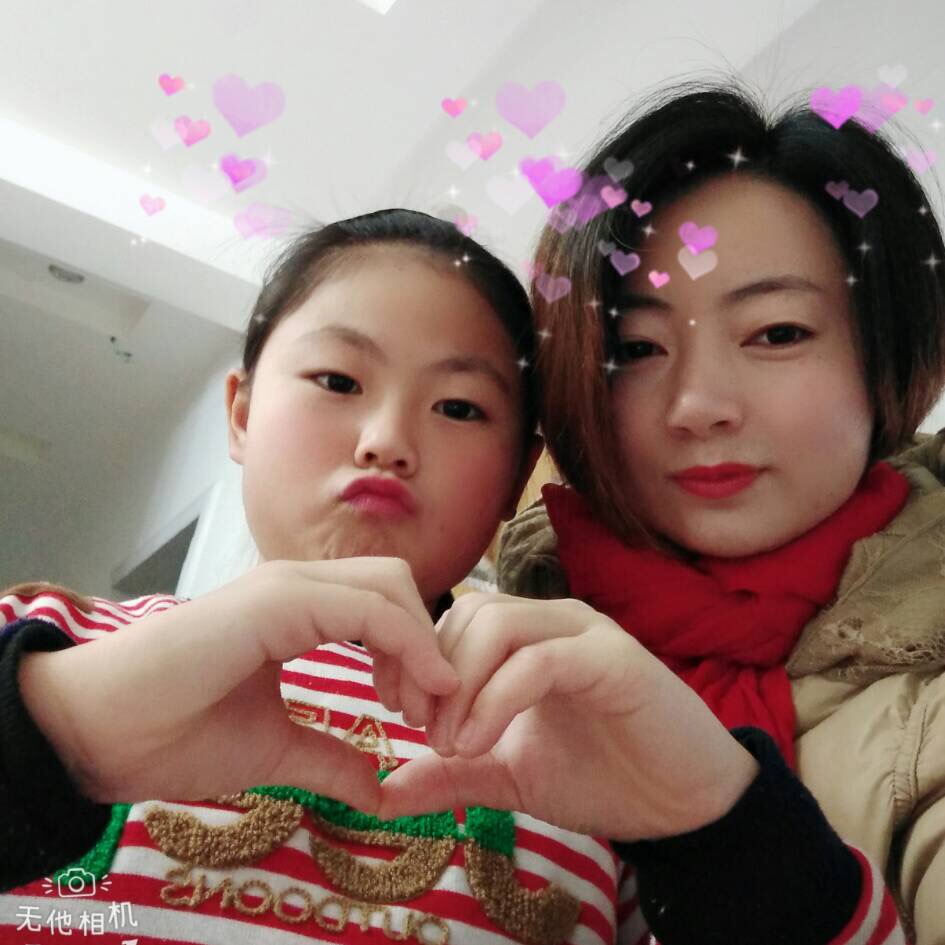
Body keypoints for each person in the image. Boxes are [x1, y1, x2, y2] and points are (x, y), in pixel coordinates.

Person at [374, 84, 945, 944]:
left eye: (775, 332)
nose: (697, 405)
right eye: (636, 348)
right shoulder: (470, 657)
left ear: (886, 352)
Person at [0, 208, 643, 945]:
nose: (386, 441)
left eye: (459, 407)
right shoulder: (44, 644)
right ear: (242, 414)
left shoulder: (595, 748)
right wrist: (62, 728)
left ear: (516, 477)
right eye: (338, 380)